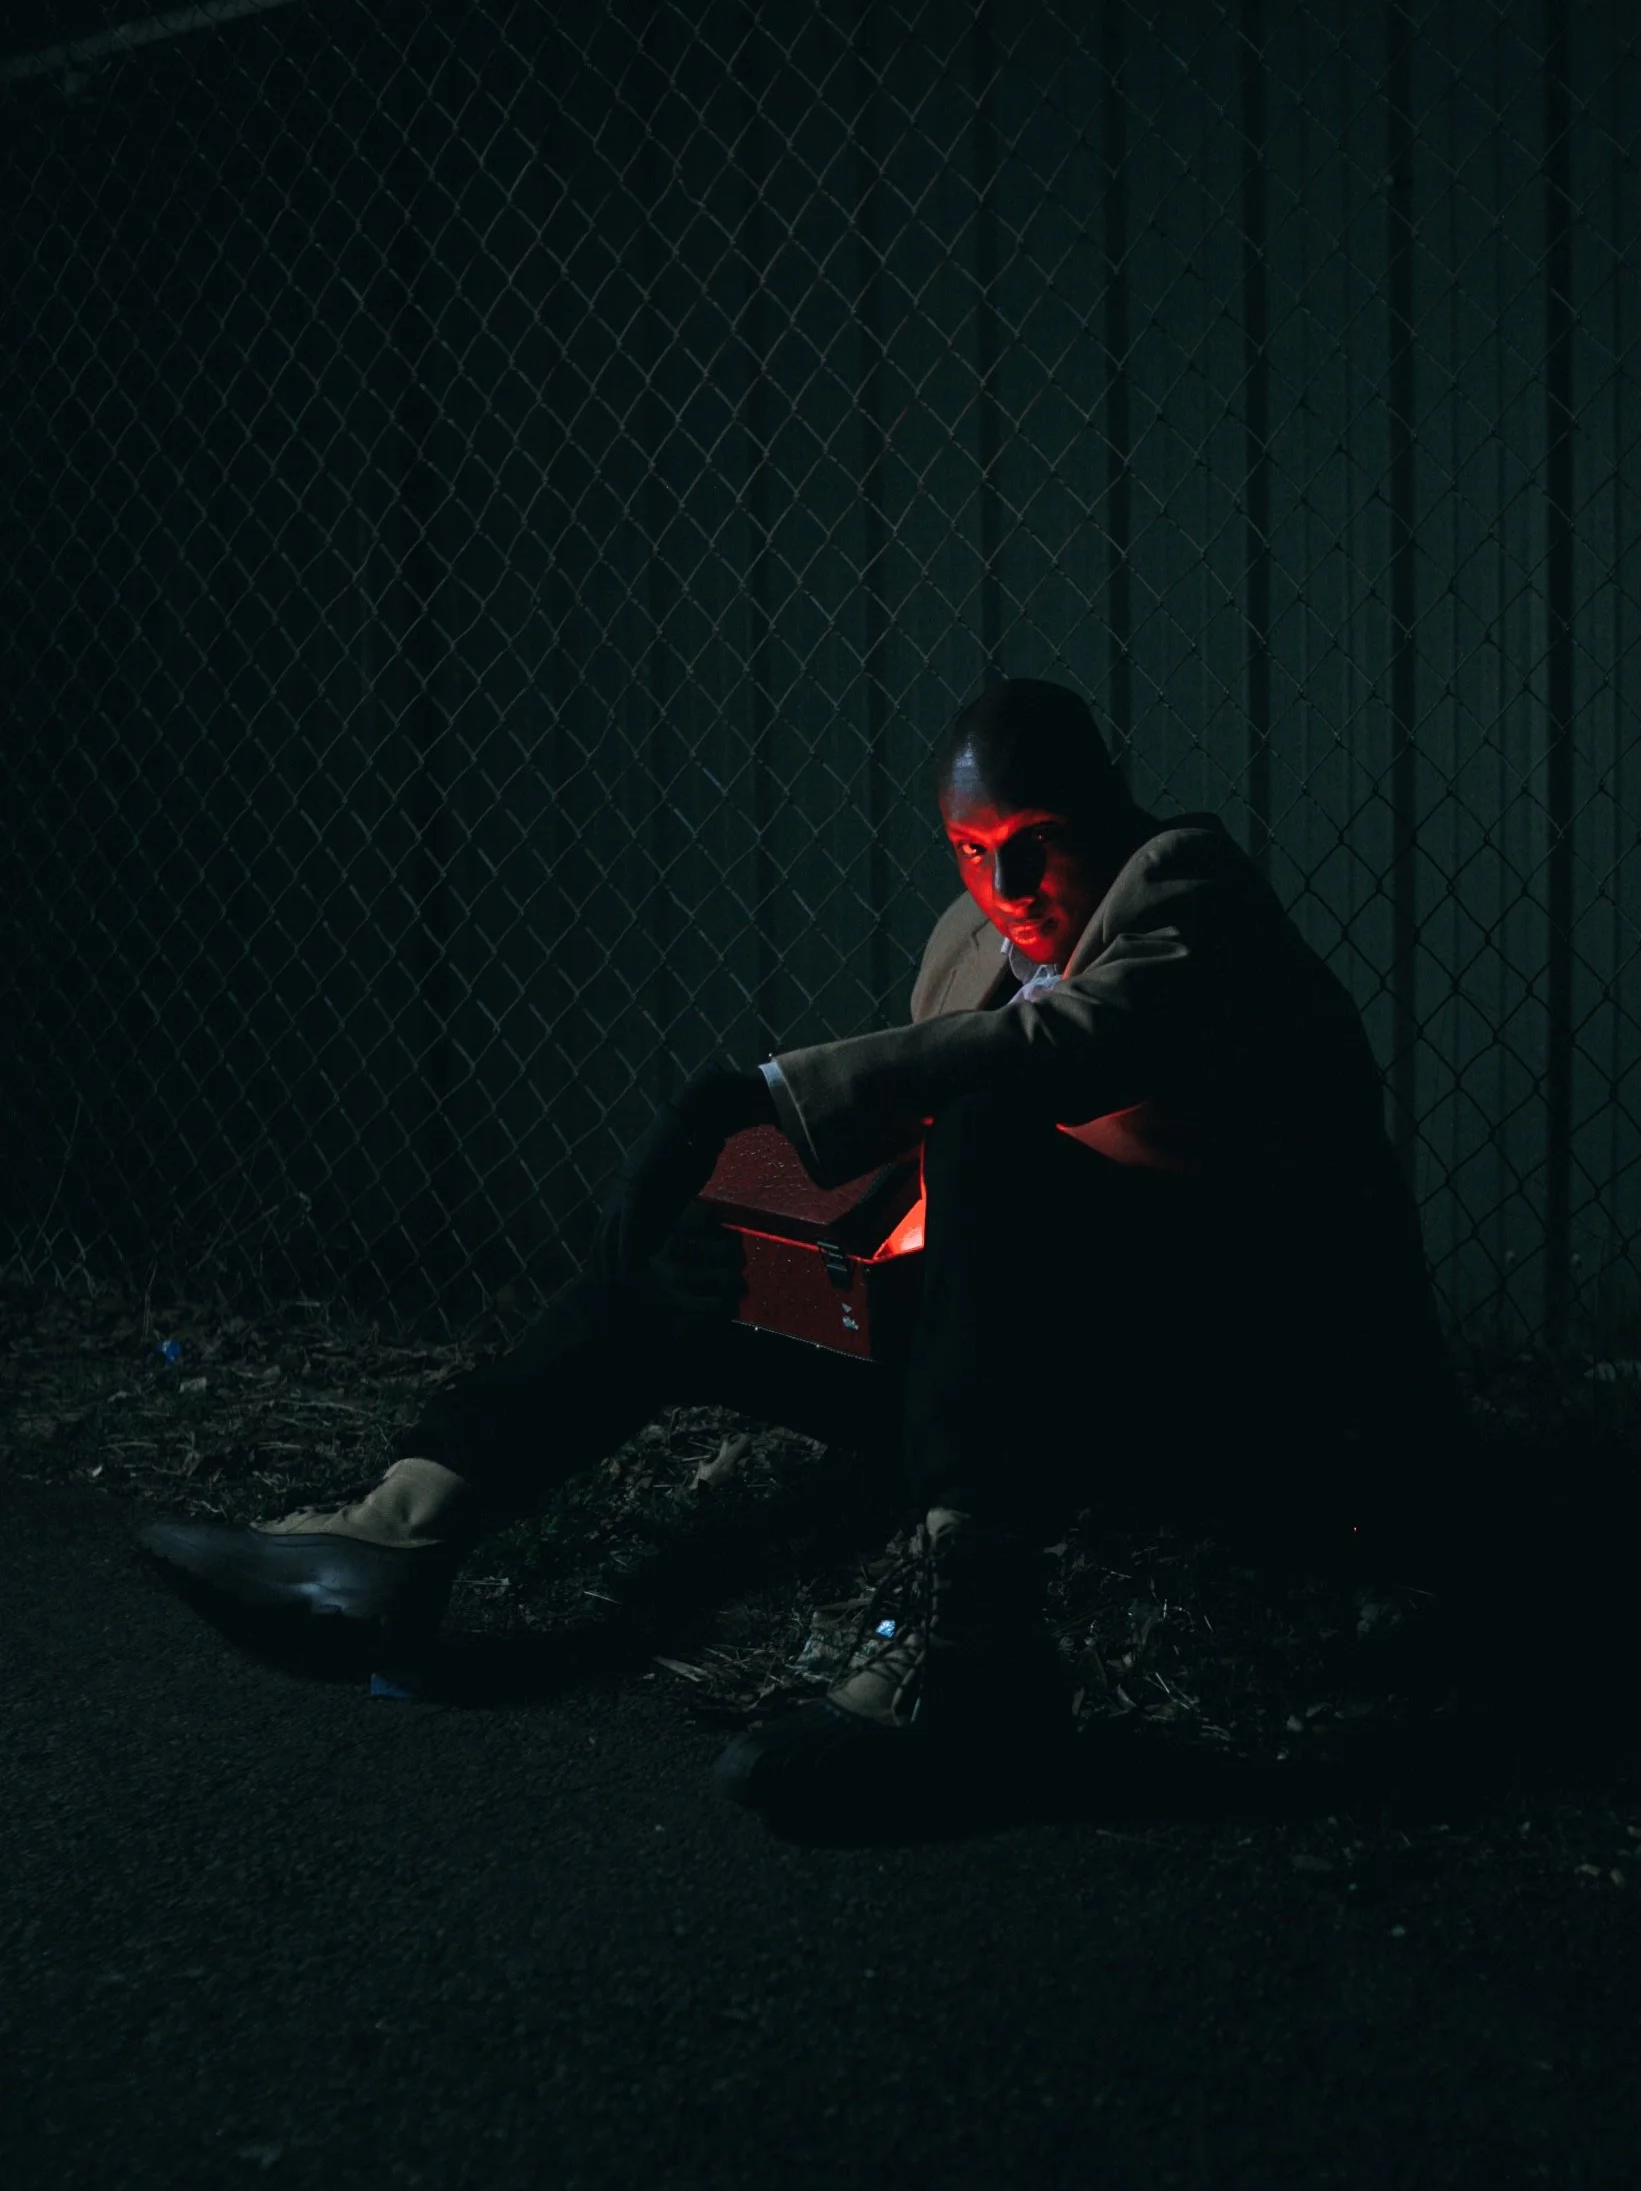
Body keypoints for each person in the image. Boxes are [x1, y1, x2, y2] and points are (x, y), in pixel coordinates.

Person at [140, 679, 1467, 1811]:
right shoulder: (975, 942)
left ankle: (984, 1658)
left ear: (1106, 814)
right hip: (1056, 1382)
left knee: (985, 1121)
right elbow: (912, 1165)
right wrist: (747, 1227)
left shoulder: (1189, 895)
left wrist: (769, 1096)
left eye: (1039, 843)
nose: (1006, 886)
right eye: (974, 851)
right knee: (705, 1261)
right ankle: (402, 1530)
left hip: (1259, 1393)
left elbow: (1047, 1061)